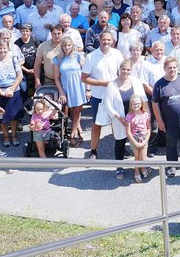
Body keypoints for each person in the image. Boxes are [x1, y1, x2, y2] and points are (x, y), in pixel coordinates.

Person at [98, 59, 145, 180]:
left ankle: (140, 166)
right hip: (120, 119)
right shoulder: (112, 85)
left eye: (128, 69)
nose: (125, 71)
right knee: (120, 142)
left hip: (136, 119)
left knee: (139, 142)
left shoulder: (136, 81)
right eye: (123, 69)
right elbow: (108, 104)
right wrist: (119, 118)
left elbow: (143, 99)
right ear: (119, 69)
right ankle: (119, 167)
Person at [81, 30, 123, 160]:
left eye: (108, 40)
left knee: (117, 123)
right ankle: (93, 151)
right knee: (96, 125)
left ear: (112, 41)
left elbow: (122, 73)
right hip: (98, 96)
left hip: (115, 95)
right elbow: (84, 78)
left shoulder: (117, 54)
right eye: (104, 39)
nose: (106, 42)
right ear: (99, 40)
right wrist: (102, 83)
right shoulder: (91, 56)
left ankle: (121, 148)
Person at [152, 57, 180, 176]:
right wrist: (160, 122)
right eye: (169, 67)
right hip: (169, 122)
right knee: (171, 144)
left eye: (174, 67)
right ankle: (172, 165)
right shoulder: (159, 84)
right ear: (165, 68)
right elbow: (155, 104)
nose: (172, 70)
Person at [53, 37, 85, 144]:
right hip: (66, 87)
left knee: (77, 111)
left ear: (72, 46)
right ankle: (78, 129)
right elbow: (57, 77)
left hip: (78, 86)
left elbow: (85, 73)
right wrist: (61, 92)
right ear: (61, 47)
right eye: (64, 46)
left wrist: (88, 89)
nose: (67, 48)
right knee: (67, 112)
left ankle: (72, 134)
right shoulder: (58, 59)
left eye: (69, 45)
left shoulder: (78, 56)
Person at [0, 41, 24, 148]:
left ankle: (14, 135)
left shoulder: (14, 59)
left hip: (13, 91)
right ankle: (5, 136)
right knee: (2, 117)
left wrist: (12, 89)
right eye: (0, 48)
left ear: (8, 48)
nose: (2, 50)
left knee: (14, 116)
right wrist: (0, 91)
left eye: (4, 48)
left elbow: (19, 76)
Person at [125, 94, 151, 183]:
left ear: (141, 103)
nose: (136, 105)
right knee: (137, 157)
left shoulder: (145, 114)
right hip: (134, 138)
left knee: (143, 157)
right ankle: (136, 171)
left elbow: (149, 128)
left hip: (144, 138)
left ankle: (143, 167)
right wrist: (135, 143)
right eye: (134, 104)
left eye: (138, 103)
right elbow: (128, 132)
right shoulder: (129, 116)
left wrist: (146, 140)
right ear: (130, 105)